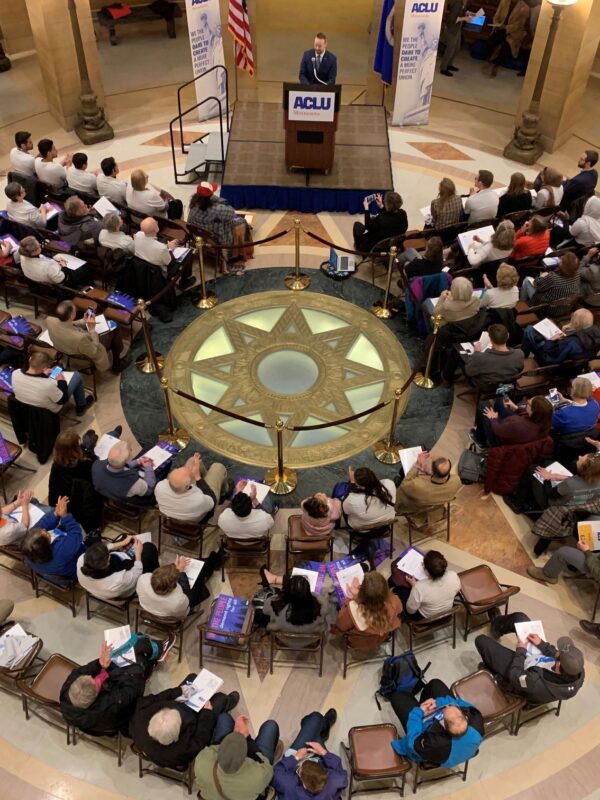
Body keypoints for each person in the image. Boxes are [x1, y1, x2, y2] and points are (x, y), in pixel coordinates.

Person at [60, 636, 172, 737]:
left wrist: (100, 664)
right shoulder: (108, 706)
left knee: (125, 646)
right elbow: (131, 691)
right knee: (136, 652)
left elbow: (82, 671)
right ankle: (157, 654)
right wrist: (132, 668)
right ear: (96, 694)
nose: (92, 677)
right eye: (94, 681)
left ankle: (153, 653)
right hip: (120, 712)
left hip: (105, 703)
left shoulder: (68, 691)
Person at [130, 678, 241, 769]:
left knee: (193, 678)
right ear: (176, 735)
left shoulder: (139, 716)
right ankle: (227, 702)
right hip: (197, 719)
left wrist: (179, 691)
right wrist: (206, 714)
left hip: (180, 702)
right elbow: (201, 738)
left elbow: (155, 698)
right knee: (220, 698)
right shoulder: (181, 750)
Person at [475, 612, 585, 704]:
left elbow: (515, 675)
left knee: (481, 641)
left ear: (558, 664)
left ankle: (492, 670)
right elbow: (555, 654)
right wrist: (541, 644)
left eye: (559, 653)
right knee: (520, 618)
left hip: (521, 672)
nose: (557, 650)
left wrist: (521, 651)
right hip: (536, 664)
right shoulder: (577, 670)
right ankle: (496, 626)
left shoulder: (535, 683)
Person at [390, 679, 484, 767]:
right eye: (448, 707)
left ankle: (413, 702)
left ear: (443, 726)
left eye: (444, 711)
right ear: (465, 716)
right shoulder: (476, 719)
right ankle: (423, 703)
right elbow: (458, 703)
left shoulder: (436, 744)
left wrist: (419, 712)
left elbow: (413, 743)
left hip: (431, 748)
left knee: (397, 696)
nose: (446, 707)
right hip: (451, 744)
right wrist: (437, 703)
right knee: (435, 684)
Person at [195, 715, 280, 800]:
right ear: (246, 757)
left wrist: (232, 738)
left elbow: (214, 746)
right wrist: (247, 738)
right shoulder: (257, 777)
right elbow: (266, 765)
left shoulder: (201, 760)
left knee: (225, 718)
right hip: (253, 767)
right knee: (271, 726)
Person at [272, 709, 347, 800]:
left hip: (293, 764)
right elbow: (340, 771)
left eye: (300, 770)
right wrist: (323, 753)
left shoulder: (289, 785)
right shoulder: (334, 782)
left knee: (314, 719)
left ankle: (318, 725)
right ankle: (322, 728)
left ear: (304, 785)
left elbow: (276, 772)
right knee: (315, 732)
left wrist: (295, 758)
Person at [46, 299, 129, 374]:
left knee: (103, 322)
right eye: (75, 311)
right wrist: (92, 330)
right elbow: (94, 351)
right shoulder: (80, 339)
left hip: (65, 346)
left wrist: (83, 321)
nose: (76, 311)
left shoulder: (49, 320)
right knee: (115, 327)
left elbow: (68, 325)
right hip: (82, 350)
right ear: (71, 316)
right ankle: (117, 364)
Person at [48, 428, 105, 533]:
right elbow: (97, 479)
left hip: (67, 507)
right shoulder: (85, 464)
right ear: (75, 448)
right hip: (88, 503)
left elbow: (52, 491)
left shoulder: (56, 465)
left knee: (89, 440)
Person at [136, 551, 222, 618]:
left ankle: (213, 560)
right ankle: (215, 560)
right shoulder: (179, 600)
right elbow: (189, 596)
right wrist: (181, 572)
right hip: (176, 612)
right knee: (199, 569)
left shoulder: (142, 579)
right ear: (173, 585)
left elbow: (164, 578)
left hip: (149, 608)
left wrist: (175, 567)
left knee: (201, 564)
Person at [512, 451, 600, 513]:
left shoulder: (569, 484)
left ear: (583, 470)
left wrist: (548, 478)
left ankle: (517, 504)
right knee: (549, 463)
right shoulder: (596, 481)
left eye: (581, 459)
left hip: (552, 505)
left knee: (533, 469)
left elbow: (550, 493)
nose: (579, 457)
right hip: (574, 504)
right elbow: (580, 483)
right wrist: (561, 477)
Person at [331, 571, 402, 647]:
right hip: (380, 638)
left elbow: (340, 627)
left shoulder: (351, 611)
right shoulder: (394, 601)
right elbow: (399, 610)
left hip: (358, 642)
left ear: (361, 591)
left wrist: (350, 599)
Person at [12, 350, 93, 416]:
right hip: (53, 409)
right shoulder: (47, 385)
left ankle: (57, 370)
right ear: (43, 368)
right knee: (77, 375)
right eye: (46, 367)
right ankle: (81, 406)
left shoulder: (15, 373)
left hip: (29, 407)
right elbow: (62, 400)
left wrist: (43, 374)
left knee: (56, 369)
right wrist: (61, 380)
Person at [77, 535, 160, 600]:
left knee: (124, 540)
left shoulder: (82, 561)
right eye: (109, 557)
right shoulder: (118, 580)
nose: (110, 555)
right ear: (106, 565)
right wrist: (138, 554)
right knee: (149, 548)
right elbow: (137, 572)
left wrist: (122, 543)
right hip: (121, 591)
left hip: (96, 590)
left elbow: (101, 550)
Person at [22, 496, 85, 581]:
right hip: (73, 573)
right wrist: (65, 516)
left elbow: (41, 526)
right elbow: (76, 533)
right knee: (80, 529)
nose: (45, 529)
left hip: (50, 574)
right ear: (45, 545)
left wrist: (56, 513)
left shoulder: (28, 549)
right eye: (47, 534)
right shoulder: (61, 550)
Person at [155, 452, 227, 524]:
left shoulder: (159, 487)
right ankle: (224, 492)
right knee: (218, 467)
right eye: (191, 476)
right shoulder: (198, 500)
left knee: (192, 460)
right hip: (197, 517)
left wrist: (192, 472)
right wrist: (198, 477)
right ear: (188, 486)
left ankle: (205, 476)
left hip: (173, 515)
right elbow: (212, 500)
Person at [391, 550, 460, 621]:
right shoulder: (453, 575)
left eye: (424, 566)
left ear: (427, 571)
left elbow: (410, 611)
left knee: (401, 590)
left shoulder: (419, 587)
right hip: (446, 611)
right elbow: (456, 590)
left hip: (425, 617)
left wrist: (414, 586)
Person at [258, 572, 327, 641]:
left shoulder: (273, 603)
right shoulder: (321, 605)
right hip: (310, 641)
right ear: (308, 593)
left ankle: (273, 578)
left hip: (283, 640)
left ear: (286, 591)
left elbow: (265, 612)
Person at [521, 307, 600, 364]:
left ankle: (523, 356)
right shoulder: (596, 332)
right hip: (578, 359)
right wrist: (570, 332)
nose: (571, 316)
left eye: (573, 316)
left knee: (529, 330)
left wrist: (550, 341)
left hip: (548, 359)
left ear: (576, 323)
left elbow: (550, 359)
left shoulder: (570, 342)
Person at [472, 394, 553, 449]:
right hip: (515, 431)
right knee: (501, 400)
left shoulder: (517, 424)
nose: (527, 401)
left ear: (534, 411)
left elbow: (498, 429)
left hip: (501, 440)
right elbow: (527, 415)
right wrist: (516, 407)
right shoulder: (545, 422)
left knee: (483, 405)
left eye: (528, 403)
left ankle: (480, 440)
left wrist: (493, 418)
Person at [92, 440, 157, 504]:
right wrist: (148, 467)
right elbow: (149, 490)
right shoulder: (132, 483)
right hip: (137, 497)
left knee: (147, 448)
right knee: (160, 473)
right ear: (126, 460)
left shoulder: (96, 464)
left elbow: (120, 465)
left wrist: (138, 462)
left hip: (110, 490)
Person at [395, 451, 461, 514]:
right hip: (434, 502)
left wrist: (417, 465)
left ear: (433, 470)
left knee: (399, 475)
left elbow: (404, 485)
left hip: (410, 507)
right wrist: (428, 473)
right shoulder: (457, 480)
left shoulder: (417, 485)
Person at [463, 323, 524, 388]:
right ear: (508, 335)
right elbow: (520, 369)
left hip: (486, 387)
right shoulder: (519, 354)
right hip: (509, 384)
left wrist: (476, 353)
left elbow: (468, 372)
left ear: (490, 339)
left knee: (464, 362)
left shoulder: (479, 357)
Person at [485, 0, 530, 78]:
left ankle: (496, 65)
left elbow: (518, 25)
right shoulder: (504, 2)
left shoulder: (525, 8)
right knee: (490, 41)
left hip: (513, 33)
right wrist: (497, 25)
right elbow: (496, 16)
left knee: (506, 47)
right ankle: (490, 60)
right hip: (500, 28)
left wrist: (506, 28)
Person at [527, 538, 600, 585]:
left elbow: (597, 572)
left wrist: (587, 551)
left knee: (563, 552)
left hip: (596, 566)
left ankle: (548, 575)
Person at [440, 1, 472, 76]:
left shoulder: (463, 4)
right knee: (450, 49)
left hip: (457, 28)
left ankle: (449, 64)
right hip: (452, 28)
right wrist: (465, 18)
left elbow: (461, 13)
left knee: (456, 48)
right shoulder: (458, 3)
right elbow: (452, 19)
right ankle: (443, 68)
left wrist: (468, 14)